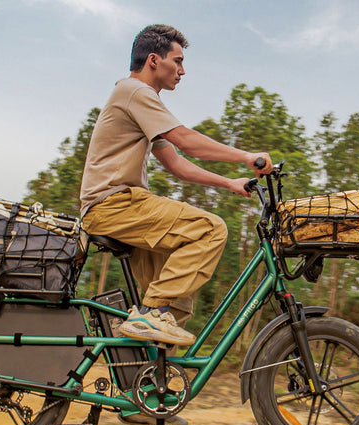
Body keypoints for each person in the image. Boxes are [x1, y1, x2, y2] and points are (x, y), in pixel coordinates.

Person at [80, 23, 271, 359]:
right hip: (113, 204)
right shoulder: (136, 92)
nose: (182, 71)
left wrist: (229, 182)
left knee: (176, 303)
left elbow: (177, 163)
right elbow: (186, 140)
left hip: (121, 208)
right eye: (177, 61)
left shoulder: (136, 99)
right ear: (154, 60)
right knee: (210, 229)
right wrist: (246, 157)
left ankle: (150, 394)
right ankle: (148, 316)